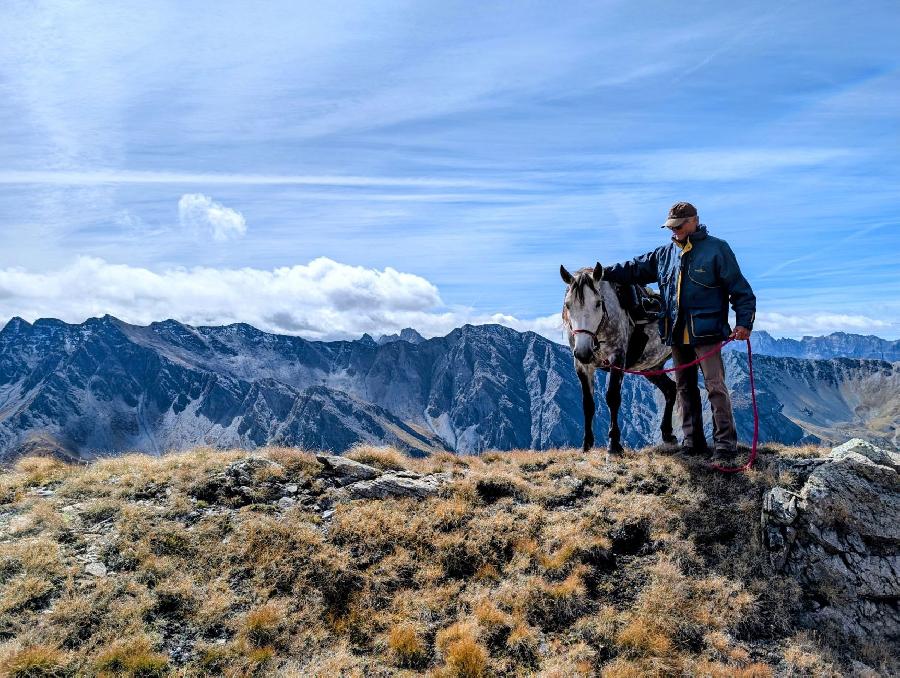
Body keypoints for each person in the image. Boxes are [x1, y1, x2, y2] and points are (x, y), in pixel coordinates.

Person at [600, 202, 756, 462]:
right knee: (684, 388)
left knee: (715, 387)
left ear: (694, 221)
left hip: (707, 334)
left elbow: (740, 290)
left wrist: (744, 323)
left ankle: (725, 447)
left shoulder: (717, 249)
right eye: (670, 227)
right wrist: (600, 273)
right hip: (675, 333)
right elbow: (634, 268)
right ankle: (693, 443)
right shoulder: (664, 254)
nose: (673, 231)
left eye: (678, 226)